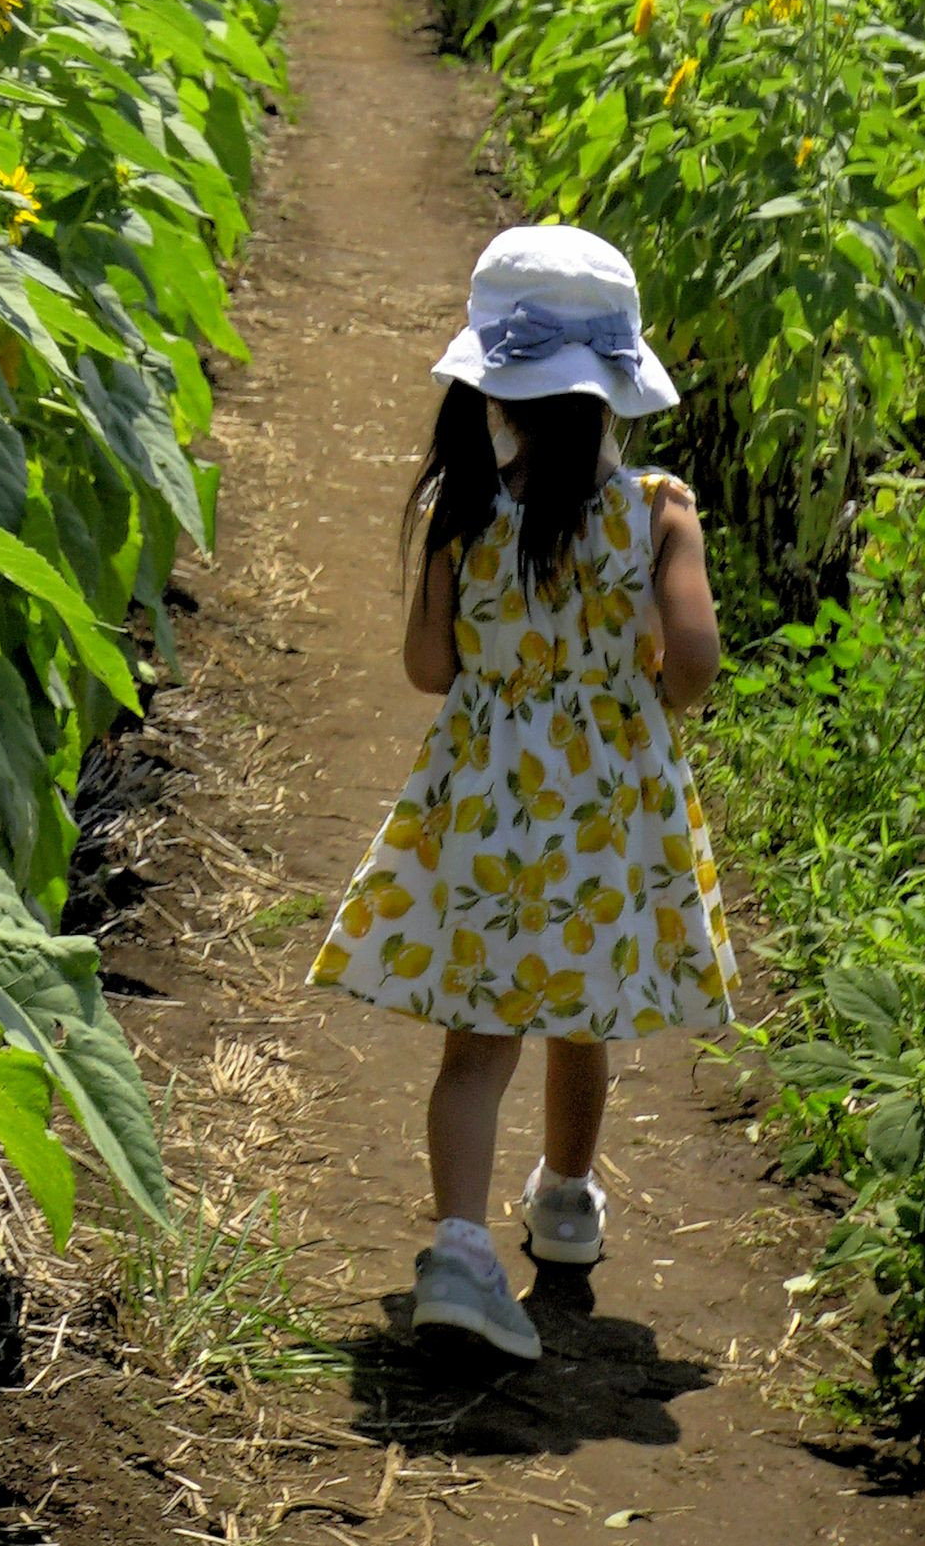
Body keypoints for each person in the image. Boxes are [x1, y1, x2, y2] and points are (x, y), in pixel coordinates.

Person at [309, 225, 727, 1364]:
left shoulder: (464, 511)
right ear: (615, 386)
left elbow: (426, 668)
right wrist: (639, 687)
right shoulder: (658, 511)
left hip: (487, 808)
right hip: (602, 810)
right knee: (580, 1014)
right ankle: (566, 1200)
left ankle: (457, 1249)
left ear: (492, 389)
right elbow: (694, 664)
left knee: (476, 1042)